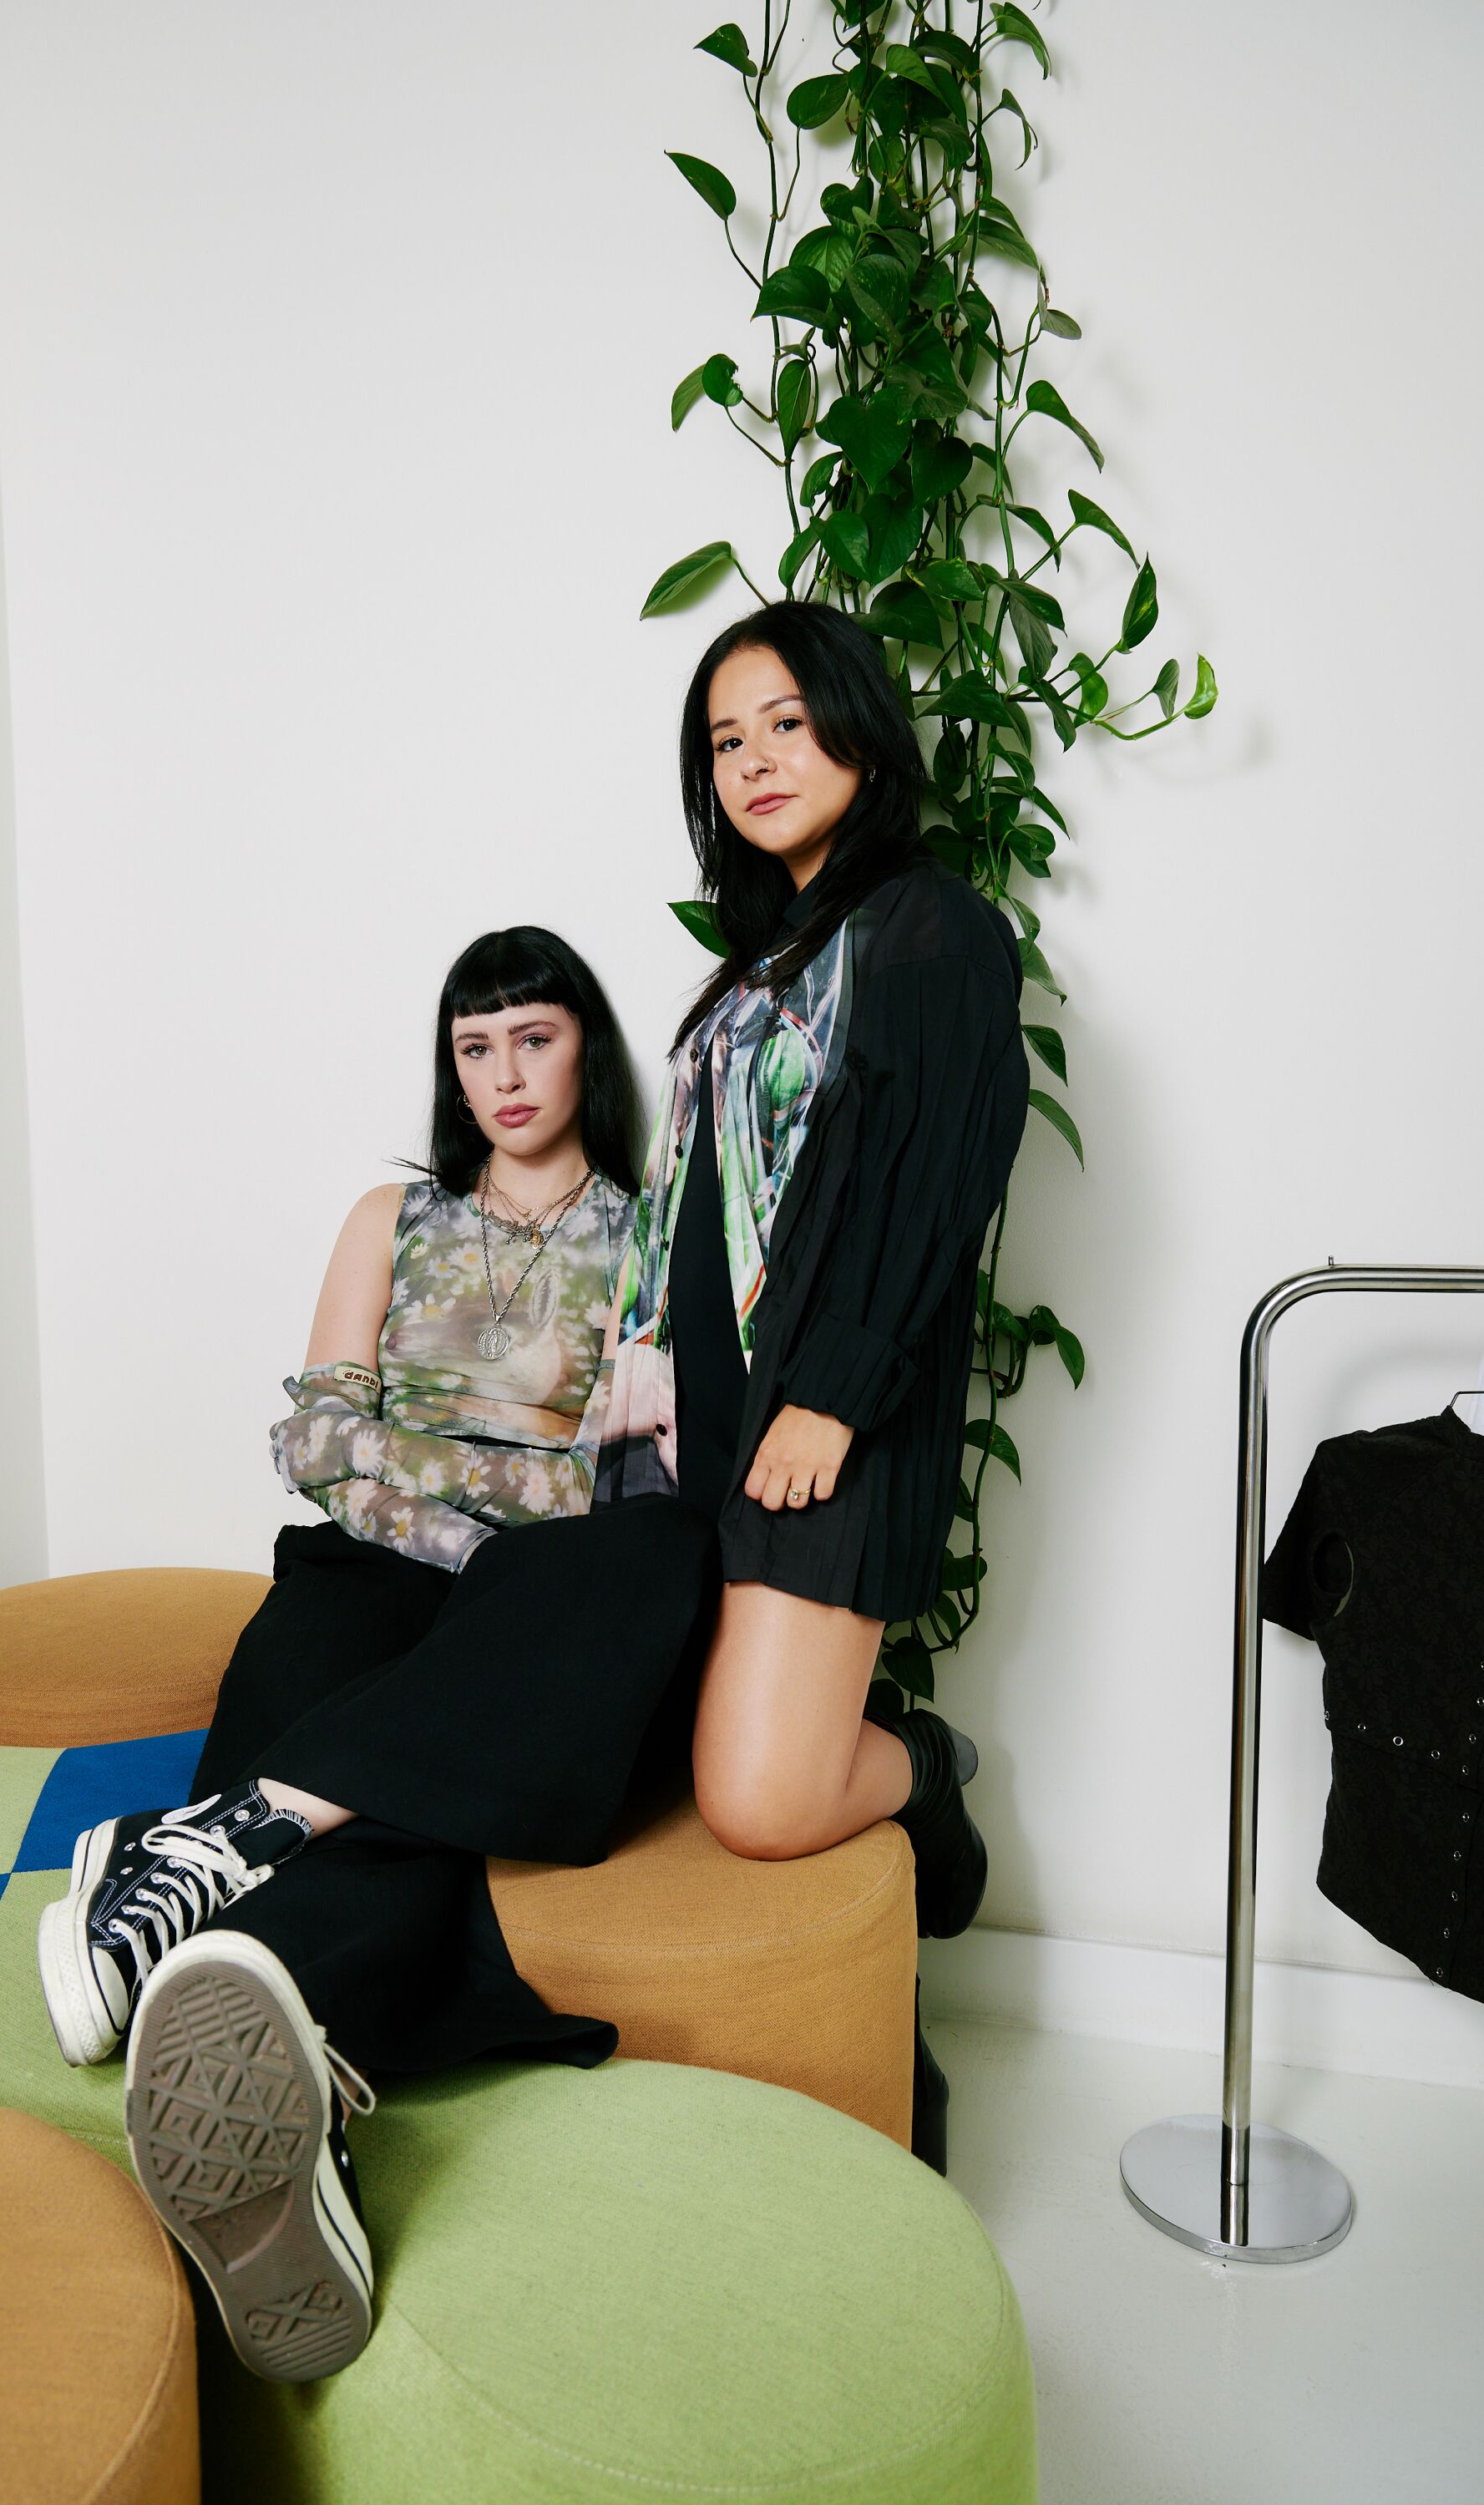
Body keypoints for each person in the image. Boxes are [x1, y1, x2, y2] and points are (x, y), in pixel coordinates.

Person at [34, 925, 719, 2385]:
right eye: (476, 1049)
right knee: (409, 1753)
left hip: (540, 1601)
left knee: (654, 1561)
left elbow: (660, 1482)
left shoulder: (660, 1232)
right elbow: (317, 1437)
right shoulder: (390, 1218)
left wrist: (511, 1502)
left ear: (584, 1045)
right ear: (449, 1067)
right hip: (387, 1571)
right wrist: (521, 1486)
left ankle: (207, 1854)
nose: (505, 1076)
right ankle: (292, 2083)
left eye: (532, 1039)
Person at [590, 600, 1031, 2153]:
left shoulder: (931, 926)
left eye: (785, 720)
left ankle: (928, 1763)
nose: (755, 759)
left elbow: (938, 1179)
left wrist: (834, 1394)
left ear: (857, 725)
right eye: (726, 740)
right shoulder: (764, 955)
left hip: (825, 1429)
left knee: (766, 1804)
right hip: (710, 1433)